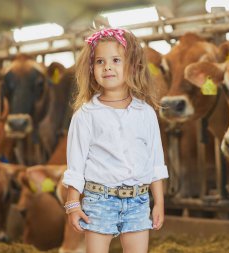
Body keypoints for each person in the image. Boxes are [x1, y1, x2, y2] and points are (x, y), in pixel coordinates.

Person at [62, 27, 169, 253]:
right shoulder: (85, 114)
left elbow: (155, 162)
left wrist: (158, 202)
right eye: (100, 61)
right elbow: (76, 163)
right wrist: (73, 204)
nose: (107, 66)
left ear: (132, 66)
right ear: (91, 69)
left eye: (116, 60)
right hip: (99, 200)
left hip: (139, 201)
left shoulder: (146, 112)